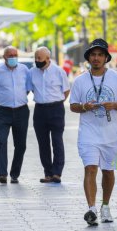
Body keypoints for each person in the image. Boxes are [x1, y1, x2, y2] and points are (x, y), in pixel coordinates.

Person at [69, 38, 117, 226]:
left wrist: (114, 105)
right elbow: (72, 106)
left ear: (106, 58)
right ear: (88, 58)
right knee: (90, 168)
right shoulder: (80, 80)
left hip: (110, 135)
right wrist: (83, 106)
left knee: (108, 172)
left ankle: (105, 206)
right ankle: (91, 208)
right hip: (88, 134)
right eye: (93, 55)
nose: (96, 58)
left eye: (100, 55)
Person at [0, 46, 31, 184]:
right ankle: (2, 174)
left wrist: (17, 99)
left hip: (21, 111)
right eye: (10, 55)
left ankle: (15, 173)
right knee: (1, 140)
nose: (13, 57)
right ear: (4, 57)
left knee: (21, 145)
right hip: (2, 112)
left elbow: (28, 89)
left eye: (15, 55)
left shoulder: (25, 70)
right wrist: (2, 99)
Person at [30, 47, 70, 183]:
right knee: (43, 143)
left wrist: (56, 103)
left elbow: (66, 90)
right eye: (35, 58)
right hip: (39, 110)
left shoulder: (59, 71)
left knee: (57, 140)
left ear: (48, 59)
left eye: (39, 58)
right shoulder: (32, 73)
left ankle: (57, 173)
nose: (37, 61)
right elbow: (28, 89)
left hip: (56, 109)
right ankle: (48, 173)